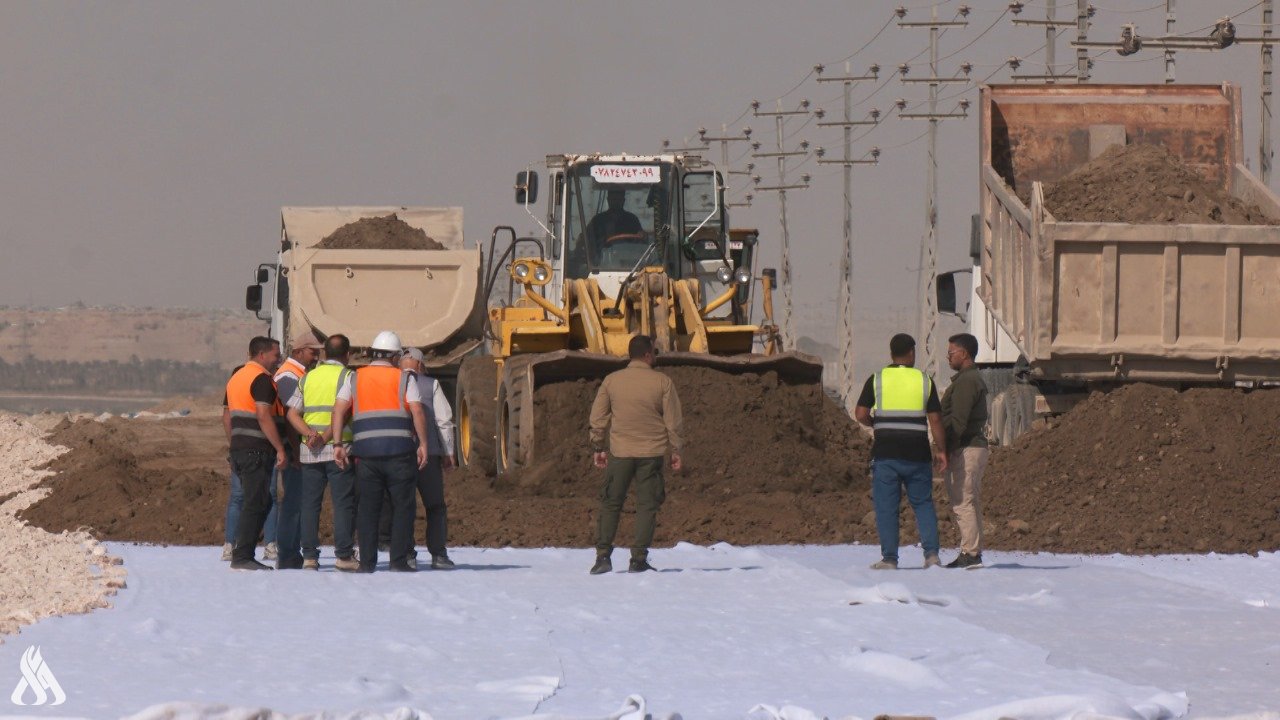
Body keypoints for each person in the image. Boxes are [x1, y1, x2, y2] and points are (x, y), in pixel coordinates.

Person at [331, 330, 431, 573]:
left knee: (367, 510)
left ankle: (367, 563)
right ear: (395, 356)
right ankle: (398, 561)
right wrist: (424, 445)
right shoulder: (405, 379)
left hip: (366, 456)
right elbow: (417, 410)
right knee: (402, 507)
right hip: (400, 454)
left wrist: (337, 444)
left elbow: (339, 410)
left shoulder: (354, 378)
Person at [588, 334, 683, 575]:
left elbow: (597, 418)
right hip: (651, 454)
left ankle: (602, 557)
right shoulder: (663, 382)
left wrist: (598, 447)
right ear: (648, 354)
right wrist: (676, 449)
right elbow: (673, 421)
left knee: (611, 502)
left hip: (620, 452)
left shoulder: (611, 381)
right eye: (655, 351)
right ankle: (638, 559)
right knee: (646, 506)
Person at [854, 333, 948, 571]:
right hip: (917, 454)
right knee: (923, 503)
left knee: (886, 507)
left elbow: (860, 413)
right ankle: (932, 556)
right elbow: (935, 419)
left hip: (886, 454)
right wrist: (941, 450)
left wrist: (877, 424)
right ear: (911, 353)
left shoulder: (877, 379)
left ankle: (889, 559)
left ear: (891, 353)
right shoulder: (924, 380)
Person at [285, 333, 360, 572]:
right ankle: (344, 555)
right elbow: (346, 412)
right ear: (347, 355)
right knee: (343, 504)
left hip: (310, 452)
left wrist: (309, 435)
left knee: (310, 504)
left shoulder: (307, 378)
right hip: (340, 449)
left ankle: (309, 556)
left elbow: (292, 414)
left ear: (325, 353)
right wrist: (327, 437)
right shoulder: (348, 376)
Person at [224, 336, 288, 571]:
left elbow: (227, 416)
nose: (278, 359)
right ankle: (243, 555)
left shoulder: (237, 378)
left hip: (241, 449)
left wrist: (234, 444)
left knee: (252, 500)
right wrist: (280, 448)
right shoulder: (261, 379)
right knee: (256, 502)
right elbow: (263, 415)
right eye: (275, 354)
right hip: (257, 451)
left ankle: (241, 553)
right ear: (262, 355)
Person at [400, 347, 457, 570]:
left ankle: (407, 554)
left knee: (403, 506)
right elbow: (443, 420)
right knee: (435, 506)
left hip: (400, 454)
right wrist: (448, 452)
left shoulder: (392, 383)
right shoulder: (430, 384)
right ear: (420, 364)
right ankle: (439, 554)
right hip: (429, 454)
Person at [940, 333, 989, 570]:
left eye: (951, 353)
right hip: (972, 446)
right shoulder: (968, 379)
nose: (948, 358)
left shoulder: (967, 381)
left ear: (964, 354)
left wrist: (944, 450)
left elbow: (957, 421)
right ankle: (972, 551)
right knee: (970, 501)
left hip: (967, 447)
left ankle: (970, 554)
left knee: (962, 501)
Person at [272, 332, 320, 569]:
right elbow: (290, 418)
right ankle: (288, 552)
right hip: (295, 451)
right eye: (313, 352)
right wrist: (295, 451)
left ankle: (290, 551)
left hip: (297, 448)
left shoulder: (296, 374)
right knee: (293, 502)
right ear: (299, 351)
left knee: (296, 501)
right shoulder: (290, 377)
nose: (316, 356)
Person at [585, 188, 643, 263]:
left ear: (623, 200)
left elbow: (640, 240)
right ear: (608, 200)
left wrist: (642, 235)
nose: (616, 202)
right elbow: (586, 241)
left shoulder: (632, 220)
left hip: (629, 263)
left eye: (618, 199)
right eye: (614, 199)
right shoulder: (597, 220)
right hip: (601, 263)